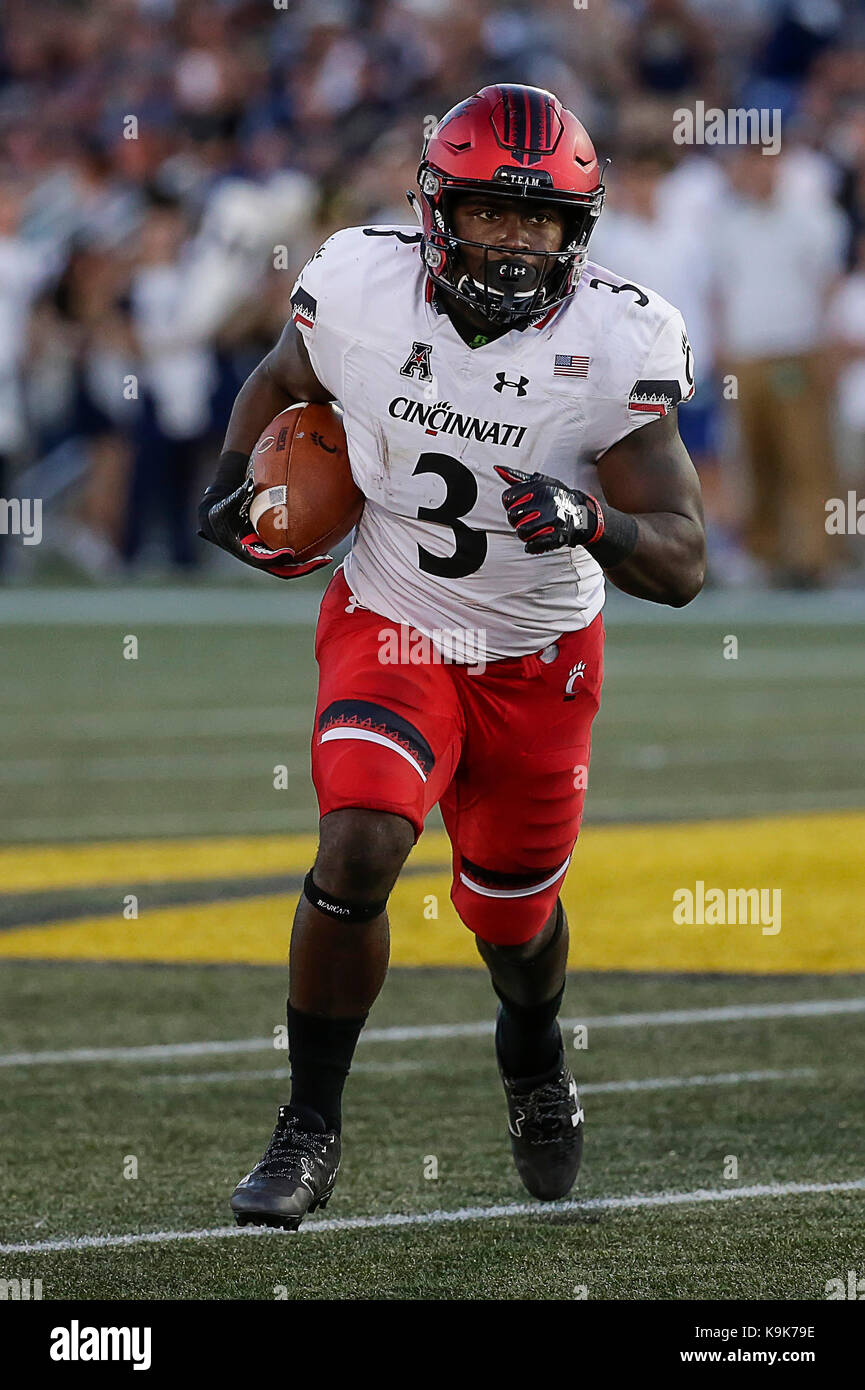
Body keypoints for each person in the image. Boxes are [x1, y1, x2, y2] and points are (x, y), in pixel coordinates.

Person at [198, 84, 705, 1230]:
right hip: (397, 611)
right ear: (439, 210)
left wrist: (592, 524)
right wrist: (230, 481)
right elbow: (283, 377)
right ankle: (308, 1125)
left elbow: (681, 562)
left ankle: (532, 1056)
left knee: (512, 922)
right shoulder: (361, 286)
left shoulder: (618, 339)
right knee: (365, 834)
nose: (517, 241)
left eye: (540, 221)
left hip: (536, 653)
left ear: (578, 232)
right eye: (492, 214)